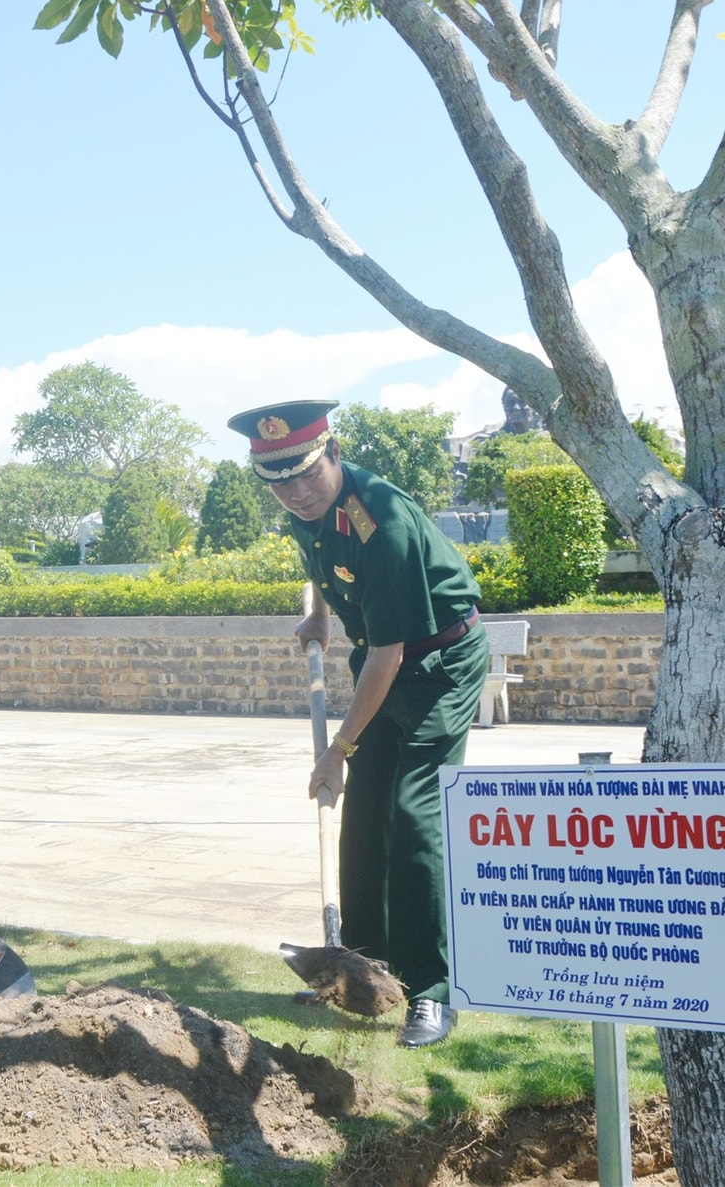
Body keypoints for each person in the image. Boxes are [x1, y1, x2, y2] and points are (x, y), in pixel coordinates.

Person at [227, 400, 487, 1049]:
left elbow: (389, 655)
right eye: (280, 482)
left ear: (333, 454)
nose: (296, 491)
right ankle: (366, 975)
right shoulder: (309, 510)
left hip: (439, 665)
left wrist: (339, 748)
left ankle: (432, 990)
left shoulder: (384, 521)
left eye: (307, 474)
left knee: (414, 814)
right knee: (364, 817)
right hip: (389, 662)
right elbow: (319, 558)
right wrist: (317, 613)